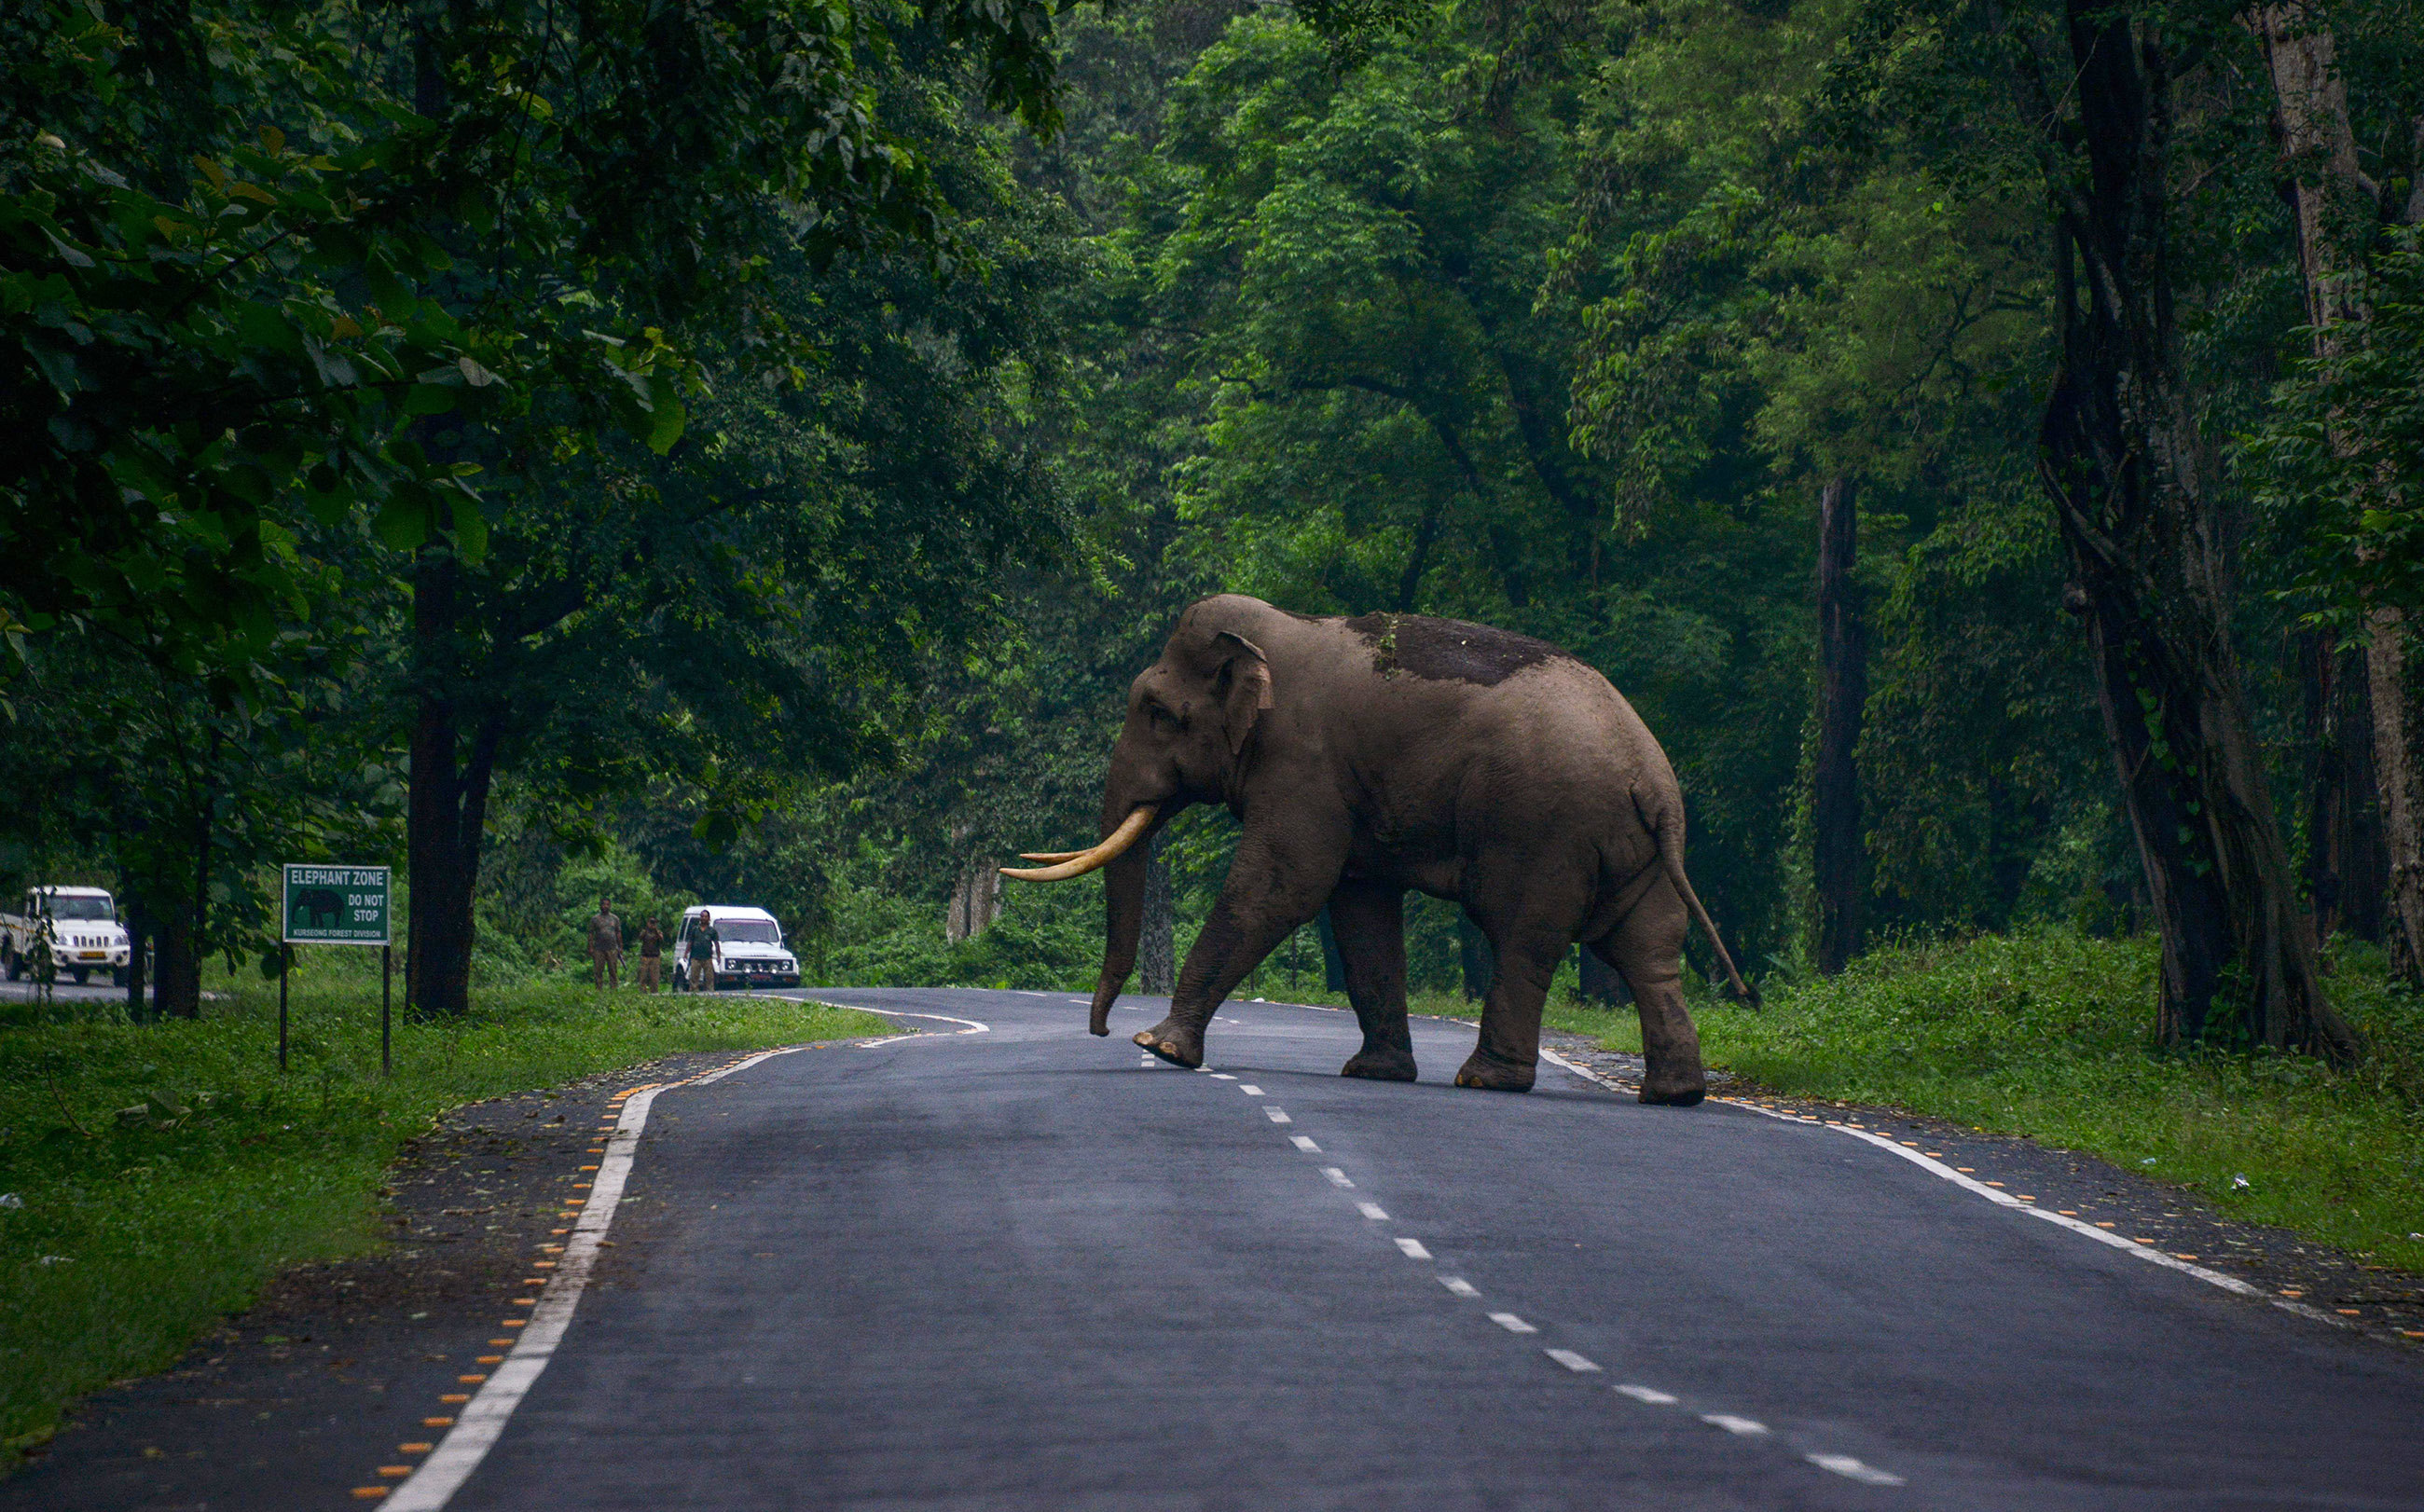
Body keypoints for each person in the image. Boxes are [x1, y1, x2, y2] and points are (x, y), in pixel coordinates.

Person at [587, 899, 624, 989]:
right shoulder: (595, 919)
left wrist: (620, 946)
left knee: (613, 970)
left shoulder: (615, 919)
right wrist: (590, 947)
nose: (605, 906)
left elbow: (618, 933)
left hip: (612, 948)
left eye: (607, 904)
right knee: (598, 970)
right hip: (598, 948)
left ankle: (614, 989)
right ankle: (598, 989)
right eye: (603, 904)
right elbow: (591, 934)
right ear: (600, 906)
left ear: (610, 906)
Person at [688, 911, 719, 993]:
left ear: (708, 918)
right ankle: (693, 993)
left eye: (705, 917)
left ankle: (710, 992)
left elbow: (716, 944)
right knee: (694, 977)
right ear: (700, 918)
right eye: (702, 916)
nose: (704, 918)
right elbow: (690, 942)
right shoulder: (695, 929)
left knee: (709, 977)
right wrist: (685, 953)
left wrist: (718, 956)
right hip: (695, 957)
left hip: (707, 958)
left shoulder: (712, 931)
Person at [636, 915, 664, 992]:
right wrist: (646, 930)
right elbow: (640, 938)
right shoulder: (644, 932)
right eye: (651, 923)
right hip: (645, 956)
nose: (652, 925)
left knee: (654, 977)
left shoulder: (658, 932)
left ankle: (654, 992)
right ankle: (642, 991)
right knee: (643, 976)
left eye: (654, 923)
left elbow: (661, 940)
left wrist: (656, 931)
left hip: (655, 957)